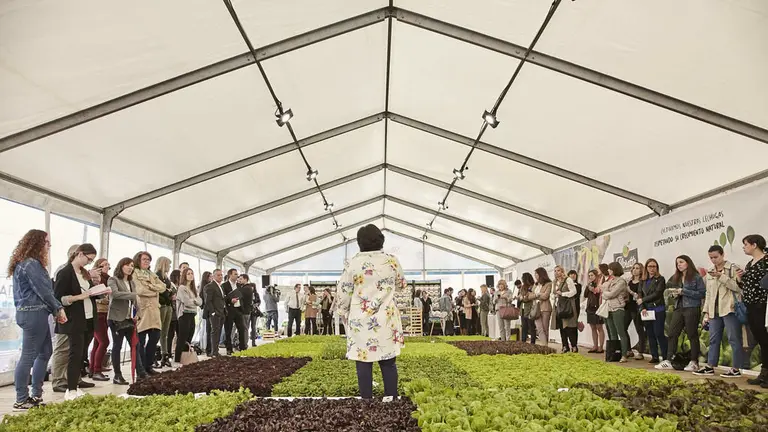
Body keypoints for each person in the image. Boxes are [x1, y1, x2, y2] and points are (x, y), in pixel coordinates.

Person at [336, 224, 406, 399]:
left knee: (363, 363)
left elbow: (344, 291)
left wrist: (343, 311)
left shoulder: (353, 263)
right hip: (386, 318)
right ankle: (390, 399)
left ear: (360, 242)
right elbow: (401, 285)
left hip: (360, 320)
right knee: (389, 362)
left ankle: (367, 402)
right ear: (381, 240)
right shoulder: (392, 260)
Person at [10, 229, 66, 411]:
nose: (49, 246)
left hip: (34, 313)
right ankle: (21, 398)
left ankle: (36, 394)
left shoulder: (26, 263)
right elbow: (43, 290)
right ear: (37, 243)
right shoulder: (31, 264)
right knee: (29, 356)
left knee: (44, 353)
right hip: (33, 313)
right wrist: (58, 308)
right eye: (47, 242)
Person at [54, 243, 100, 401]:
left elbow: (90, 292)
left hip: (88, 317)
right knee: (74, 353)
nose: (89, 263)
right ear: (79, 254)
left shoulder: (84, 273)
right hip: (74, 319)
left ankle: (75, 384)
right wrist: (79, 297)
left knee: (81, 353)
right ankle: (71, 388)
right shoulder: (65, 272)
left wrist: (98, 292)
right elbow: (58, 298)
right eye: (88, 259)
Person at [694, 245, 743, 378]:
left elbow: (738, 288)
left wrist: (721, 276)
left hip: (729, 309)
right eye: (711, 258)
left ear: (723, 255)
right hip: (714, 311)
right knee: (713, 339)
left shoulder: (733, 268)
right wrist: (707, 312)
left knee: (734, 339)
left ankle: (736, 368)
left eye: (716, 257)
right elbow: (708, 293)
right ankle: (710, 366)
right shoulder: (710, 271)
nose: (713, 260)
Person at [656, 255, 705, 372]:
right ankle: (668, 360)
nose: (679, 265)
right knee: (672, 333)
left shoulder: (696, 277)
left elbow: (702, 294)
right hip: (679, 307)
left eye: (681, 262)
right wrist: (675, 294)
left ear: (688, 263)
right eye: (677, 263)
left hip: (692, 308)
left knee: (692, 335)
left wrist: (684, 291)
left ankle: (694, 362)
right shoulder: (677, 278)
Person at [106, 257, 143, 385]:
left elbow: (135, 301)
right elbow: (115, 294)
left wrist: (137, 313)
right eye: (127, 265)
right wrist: (133, 295)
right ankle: (117, 375)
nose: (130, 267)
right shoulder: (113, 279)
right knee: (117, 346)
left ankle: (141, 373)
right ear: (121, 266)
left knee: (135, 345)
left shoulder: (132, 283)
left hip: (129, 318)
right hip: (116, 318)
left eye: (132, 265)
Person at [740, 234, 768, 387]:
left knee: (765, 339)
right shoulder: (750, 264)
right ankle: (764, 373)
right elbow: (746, 286)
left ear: (754, 244)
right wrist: (740, 279)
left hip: (763, 304)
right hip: (750, 304)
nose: (744, 247)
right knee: (761, 340)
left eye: (745, 244)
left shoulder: (766, 260)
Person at [133, 252, 167, 375]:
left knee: (155, 337)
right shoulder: (134, 273)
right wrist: (154, 291)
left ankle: (148, 365)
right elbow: (139, 290)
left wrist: (151, 286)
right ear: (138, 260)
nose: (147, 261)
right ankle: (141, 368)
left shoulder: (151, 274)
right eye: (144, 259)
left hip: (154, 310)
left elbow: (163, 287)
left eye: (148, 259)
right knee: (140, 340)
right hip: (143, 309)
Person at [637, 259, 666, 364]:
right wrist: (642, 307)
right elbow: (640, 294)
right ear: (646, 268)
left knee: (659, 333)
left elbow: (657, 294)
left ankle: (665, 356)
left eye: (654, 266)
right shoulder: (642, 280)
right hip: (647, 311)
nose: (652, 269)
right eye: (650, 266)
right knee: (650, 334)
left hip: (658, 309)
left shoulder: (661, 279)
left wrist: (643, 300)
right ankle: (655, 356)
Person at [602, 262, 630, 362]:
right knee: (612, 333)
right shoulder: (610, 281)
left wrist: (605, 293)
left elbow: (612, 294)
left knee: (621, 332)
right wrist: (606, 293)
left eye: (610, 269)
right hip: (608, 308)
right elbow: (604, 293)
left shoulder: (621, 281)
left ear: (614, 269)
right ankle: (614, 354)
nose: (608, 270)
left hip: (618, 308)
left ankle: (624, 355)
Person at [89, 258, 111, 381]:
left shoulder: (108, 278)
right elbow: (94, 294)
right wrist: (106, 298)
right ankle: (96, 369)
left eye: (108, 264)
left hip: (105, 312)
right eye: (104, 265)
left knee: (97, 342)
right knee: (104, 341)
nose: (107, 267)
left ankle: (94, 368)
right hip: (98, 312)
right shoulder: (97, 278)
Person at [175, 267, 202, 363]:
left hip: (192, 315)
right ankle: (177, 359)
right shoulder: (182, 288)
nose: (191, 275)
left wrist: (194, 301)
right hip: (184, 315)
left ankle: (185, 358)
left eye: (192, 273)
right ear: (184, 276)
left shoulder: (193, 289)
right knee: (182, 338)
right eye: (188, 273)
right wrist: (195, 301)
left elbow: (200, 302)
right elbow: (186, 302)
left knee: (189, 337)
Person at [553, 266, 579, 353]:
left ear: (562, 271)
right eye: (555, 271)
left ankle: (574, 346)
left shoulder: (568, 280)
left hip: (568, 306)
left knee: (570, 327)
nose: (557, 272)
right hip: (558, 307)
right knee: (561, 327)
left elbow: (573, 292)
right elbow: (553, 293)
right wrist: (555, 296)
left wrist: (562, 294)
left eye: (559, 270)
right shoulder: (554, 282)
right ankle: (565, 346)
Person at [625, 263, 648, 359]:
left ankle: (641, 352)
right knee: (623, 328)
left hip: (637, 308)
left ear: (641, 270)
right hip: (628, 307)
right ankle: (628, 350)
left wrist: (634, 294)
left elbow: (642, 296)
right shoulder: (629, 282)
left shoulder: (643, 282)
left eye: (637, 268)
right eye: (633, 268)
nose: (635, 270)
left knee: (639, 330)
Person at [154, 257, 173, 368]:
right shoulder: (157, 276)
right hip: (161, 306)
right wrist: (168, 293)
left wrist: (169, 293)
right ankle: (158, 354)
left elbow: (169, 291)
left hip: (168, 305)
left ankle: (164, 354)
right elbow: (162, 292)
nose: (170, 267)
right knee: (159, 332)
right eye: (168, 265)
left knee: (165, 333)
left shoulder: (166, 277)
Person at [222, 269, 245, 354]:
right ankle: (229, 349)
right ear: (230, 275)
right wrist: (230, 300)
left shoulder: (239, 285)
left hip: (238, 310)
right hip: (229, 310)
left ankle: (242, 347)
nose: (237, 276)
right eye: (235, 274)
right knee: (228, 330)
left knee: (241, 329)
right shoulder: (224, 285)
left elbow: (241, 296)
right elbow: (223, 298)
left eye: (237, 274)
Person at [203, 269, 226, 356]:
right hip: (215, 313)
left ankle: (216, 350)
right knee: (215, 332)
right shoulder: (210, 286)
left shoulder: (221, 286)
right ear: (213, 276)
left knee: (218, 332)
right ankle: (214, 351)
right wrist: (213, 312)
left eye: (221, 275)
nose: (220, 276)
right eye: (218, 275)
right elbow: (208, 301)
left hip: (222, 312)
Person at [584, 270, 604, 353]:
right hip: (590, 308)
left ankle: (601, 347)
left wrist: (593, 290)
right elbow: (585, 295)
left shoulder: (600, 285)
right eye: (589, 275)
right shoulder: (589, 284)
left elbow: (600, 295)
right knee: (593, 327)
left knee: (599, 327)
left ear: (596, 276)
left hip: (598, 308)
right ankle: (595, 346)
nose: (590, 277)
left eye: (592, 275)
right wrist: (588, 287)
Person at [533, 268, 553, 346]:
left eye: (536, 274)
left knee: (545, 328)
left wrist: (537, 295)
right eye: (535, 274)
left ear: (541, 274)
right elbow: (530, 295)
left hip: (545, 308)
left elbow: (546, 296)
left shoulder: (549, 283)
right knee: (539, 328)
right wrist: (537, 295)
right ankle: (544, 345)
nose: (535, 276)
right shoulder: (535, 284)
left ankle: (545, 346)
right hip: (536, 309)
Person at [237, 275, 258, 346]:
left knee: (245, 328)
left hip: (245, 311)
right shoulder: (246, 288)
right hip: (245, 311)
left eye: (241, 279)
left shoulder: (246, 288)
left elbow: (239, 295)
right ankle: (243, 343)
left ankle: (244, 344)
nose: (239, 280)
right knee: (245, 327)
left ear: (246, 279)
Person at [518, 273, 536, 344]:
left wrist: (524, 297)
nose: (522, 279)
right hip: (522, 309)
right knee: (524, 326)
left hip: (530, 308)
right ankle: (523, 342)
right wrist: (523, 297)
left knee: (531, 326)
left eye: (523, 278)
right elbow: (521, 296)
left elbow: (528, 297)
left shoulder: (533, 286)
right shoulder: (522, 287)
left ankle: (532, 343)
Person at [198, 271, 212, 355]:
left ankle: (203, 346)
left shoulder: (203, 286)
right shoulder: (206, 286)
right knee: (205, 329)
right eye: (210, 277)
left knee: (204, 328)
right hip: (205, 309)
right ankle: (204, 346)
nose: (211, 278)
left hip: (203, 309)